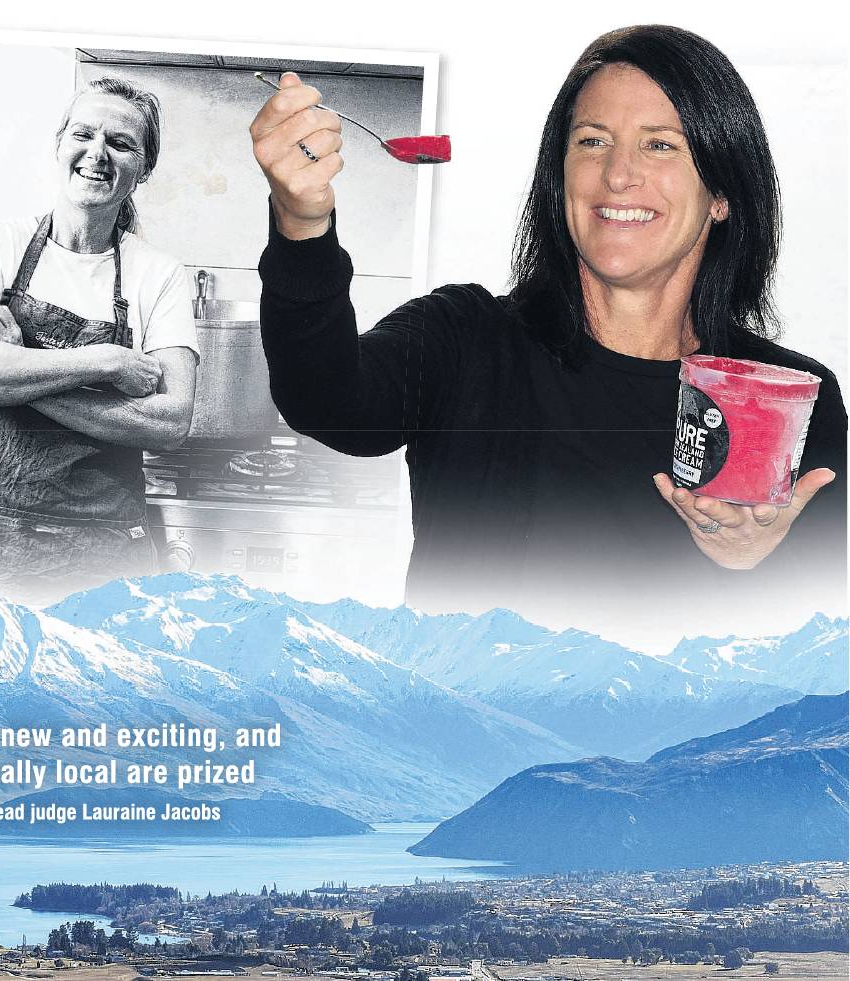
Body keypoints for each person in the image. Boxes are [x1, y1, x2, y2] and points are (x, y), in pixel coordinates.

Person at [249, 25, 846, 638]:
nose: (618, 174)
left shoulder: (786, 400)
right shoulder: (465, 338)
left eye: (661, 145)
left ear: (722, 192)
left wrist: (759, 567)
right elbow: (327, 401)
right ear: (559, 176)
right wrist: (301, 224)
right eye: (592, 141)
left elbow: (815, 666)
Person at [0, 77, 199, 604]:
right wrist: (103, 362)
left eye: (120, 143)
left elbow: (169, 422)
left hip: (96, 546)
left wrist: (15, 365)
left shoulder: (158, 274)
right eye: (83, 134)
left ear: (143, 169)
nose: (98, 153)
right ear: (58, 144)